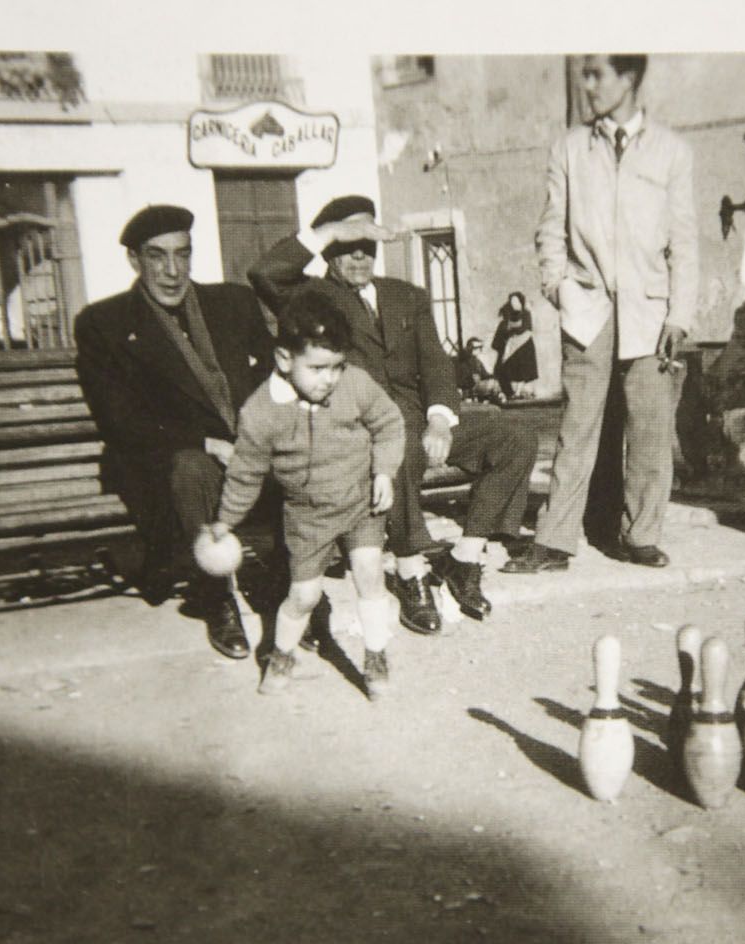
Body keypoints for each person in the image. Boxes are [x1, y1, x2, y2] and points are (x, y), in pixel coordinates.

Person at [248, 195, 540, 635]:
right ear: (329, 249)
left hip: (422, 423)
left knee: (514, 435)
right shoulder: (310, 298)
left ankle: (465, 559)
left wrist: (441, 418)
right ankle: (409, 572)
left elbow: (438, 363)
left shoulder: (407, 296)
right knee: (395, 439)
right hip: (357, 432)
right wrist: (328, 232)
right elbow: (264, 273)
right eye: (349, 245)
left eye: (369, 244)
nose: (361, 255)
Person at [503, 53, 698, 574]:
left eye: (598, 75)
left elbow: (684, 241)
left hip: (652, 312)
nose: (588, 86)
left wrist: (679, 314)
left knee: (651, 429)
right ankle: (555, 541)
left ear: (629, 78)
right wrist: (558, 286)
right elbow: (551, 229)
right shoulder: (569, 149)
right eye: (584, 75)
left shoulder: (671, 152)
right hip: (587, 307)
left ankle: (641, 535)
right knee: (578, 427)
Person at [74, 205, 276, 659]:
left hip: (245, 446)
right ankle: (217, 595)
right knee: (192, 469)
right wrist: (208, 442)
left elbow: (274, 376)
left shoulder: (232, 303)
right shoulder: (105, 324)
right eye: (157, 256)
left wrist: (258, 433)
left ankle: (299, 596)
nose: (171, 270)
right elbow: (120, 420)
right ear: (134, 261)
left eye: (182, 255)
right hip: (165, 460)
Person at [204, 292, 405, 699]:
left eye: (336, 367)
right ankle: (281, 653)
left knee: (370, 574)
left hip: (360, 501)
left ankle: (376, 655)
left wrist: (384, 470)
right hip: (308, 516)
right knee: (304, 595)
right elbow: (245, 472)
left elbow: (389, 422)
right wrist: (225, 521)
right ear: (283, 360)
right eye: (317, 368)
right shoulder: (261, 412)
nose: (328, 379)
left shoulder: (354, 384)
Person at [490, 292, 539, 399]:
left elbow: (525, 328)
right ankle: (510, 392)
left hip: (524, 347)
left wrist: (512, 328)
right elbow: (503, 332)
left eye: (516, 301)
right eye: (512, 301)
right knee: (505, 370)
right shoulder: (508, 315)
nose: (514, 303)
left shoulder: (526, 314)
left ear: (521, 301)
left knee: (524, 370)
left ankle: (519, 392)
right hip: (510, 347)